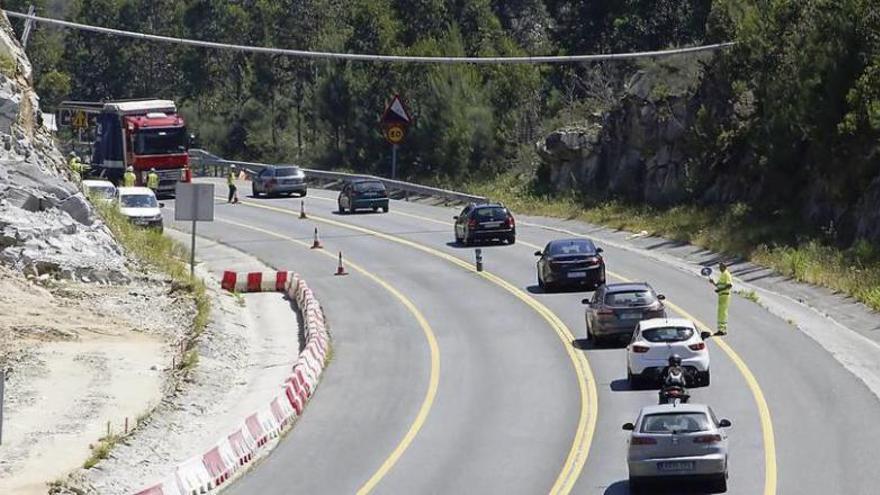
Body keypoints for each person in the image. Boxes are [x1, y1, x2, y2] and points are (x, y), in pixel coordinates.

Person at [711, 262, 733, 335]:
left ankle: (722, 330)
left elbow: (729, 285)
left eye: (721, 267)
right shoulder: (723, 274)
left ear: (724, 266)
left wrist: (720, 290)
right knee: (720, 313)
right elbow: (719, 285)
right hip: (721, 296)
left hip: (725, 295)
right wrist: (713, 283)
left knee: (722, 313)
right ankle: (721, 329)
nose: (719, 268)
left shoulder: (726, 274)